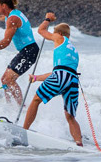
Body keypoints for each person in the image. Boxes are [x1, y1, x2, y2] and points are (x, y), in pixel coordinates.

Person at [23, 13, 84, 146]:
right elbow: (60, 72)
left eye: (55, 33)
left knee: (36, 100)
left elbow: (41, 31)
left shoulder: (59, 37)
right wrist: (37, 78)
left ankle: (24, 131)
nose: (53, 37)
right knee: (70, 116)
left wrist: (48, 19)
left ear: (60, 34)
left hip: (61, 76)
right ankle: (79, 143)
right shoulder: (73, 50)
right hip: (72, 80)